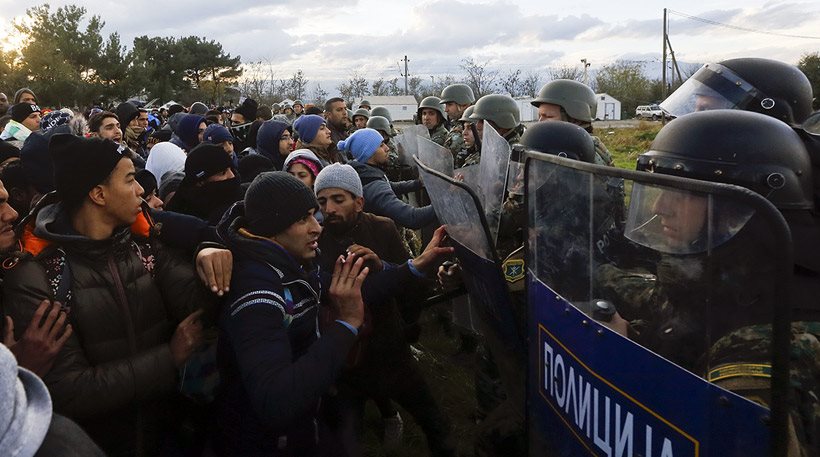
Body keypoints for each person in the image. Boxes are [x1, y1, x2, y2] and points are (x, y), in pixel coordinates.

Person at [602, 109, 819, 456]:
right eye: (660, 190)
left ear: (735, 205)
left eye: (680, 192)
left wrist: (625, 362)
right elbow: (690, 325)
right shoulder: (732, 275)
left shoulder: (764, 348)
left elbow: (688, 435)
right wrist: (631, 334)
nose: (659, 207)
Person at [3, 134, 216, 456]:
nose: (142, 190)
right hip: (92, 445)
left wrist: (212, 250)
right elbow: (67, 390)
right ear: (98, 194)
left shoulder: (144, 246)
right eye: (130, 179)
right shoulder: (40, 275)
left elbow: (203, 304)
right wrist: (168, 358)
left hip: (167, 435)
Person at [313, 163, 456, 456]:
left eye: (338, 199)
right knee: (345, 441)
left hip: (390, 348)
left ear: (359, 201)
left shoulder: (382, 227)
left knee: (436, 425)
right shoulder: (316, 241)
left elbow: (412, 288)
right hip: (346, 360)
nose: (329, 208)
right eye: (322, 201)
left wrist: (384, 270)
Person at [344, 128, 436, 230]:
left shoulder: (365, 173)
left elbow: (389, 185)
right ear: (368, 152)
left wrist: (418, 183)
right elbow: (412, 217)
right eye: (381, 145)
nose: (387, 148)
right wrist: (444, 204)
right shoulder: (375, 186)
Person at [531, 79, 614, 166]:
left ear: (576, 120)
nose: (540, 122)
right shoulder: (551, 145)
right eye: (539, 116)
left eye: (548, 116)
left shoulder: (586, 153)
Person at [166, 143, 243, 224]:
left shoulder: (244, 197)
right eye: (223, 173)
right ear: (200, 182)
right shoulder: (185, 220)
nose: (232, 175)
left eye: (231, 169)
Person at [439, 83, 475, 157]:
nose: (446, 110)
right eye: (445, 105)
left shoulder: (475, 128)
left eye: (449, 104)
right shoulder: (455, 126)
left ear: (463, 104)